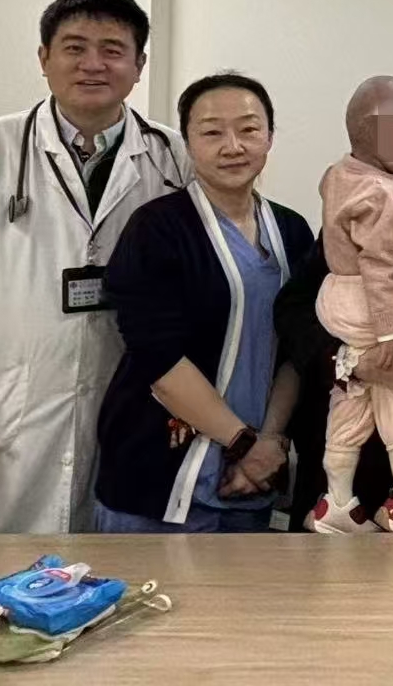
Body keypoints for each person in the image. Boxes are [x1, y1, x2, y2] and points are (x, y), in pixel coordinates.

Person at [0, 0, 189, 534]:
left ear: (139, 65)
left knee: (110, 573)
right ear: (44, 58)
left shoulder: (174, 157)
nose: (93, 64)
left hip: (129, 416)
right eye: (74, 47)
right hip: (0, 423)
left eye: (113, 50)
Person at [94, 74, 312, 533]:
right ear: (188, 143)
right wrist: (243, 443)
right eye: (212, 132)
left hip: (253, 477)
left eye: (249, 129)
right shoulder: (156, 229)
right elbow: (157, 356)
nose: (233, 146)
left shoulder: (292, 230)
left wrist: (270, 443)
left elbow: (297, 347)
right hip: (158, 476)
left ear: (270, 136)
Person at [312, 76, 393, 534]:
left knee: (352, 397)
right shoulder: (380, 193)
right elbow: (382, 266)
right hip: (373, 307)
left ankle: (337, 503)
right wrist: (392, 334)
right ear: (371, 133)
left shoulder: (341, 175)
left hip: (341, 298)